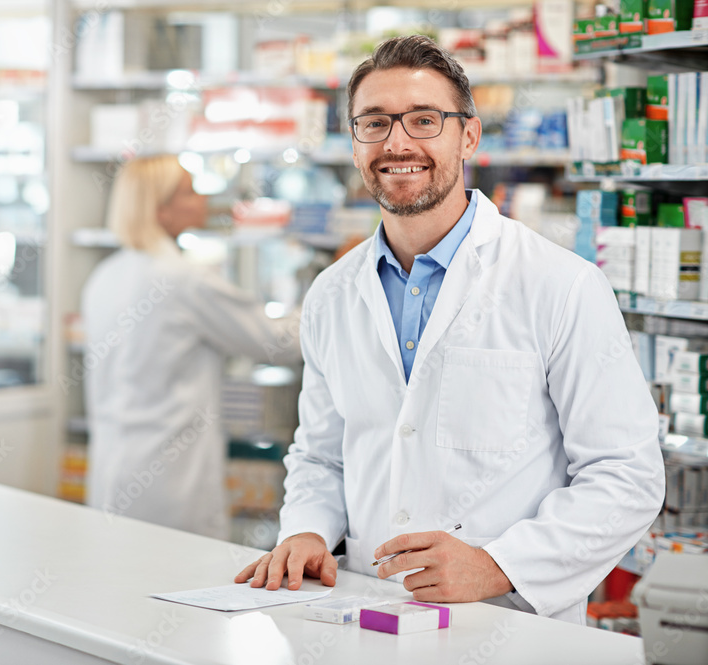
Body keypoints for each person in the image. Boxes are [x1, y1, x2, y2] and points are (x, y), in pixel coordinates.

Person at [234, 35, 665, 624]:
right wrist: (309, 531)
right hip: (366, 612)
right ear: (354, 143)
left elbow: (626, 474)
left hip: (510, 624)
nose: (398, 143)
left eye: (424, 120)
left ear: (469, 136)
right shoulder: (333, 292)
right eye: (375, 123)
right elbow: (322, 455)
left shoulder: (560, 284)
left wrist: (498, 564)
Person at [82, 155, 302, 540]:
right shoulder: (184, 279)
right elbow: (277, 342)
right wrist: (331, 292)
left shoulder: (105, 276)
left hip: (111, 473)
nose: (201, 197)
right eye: (189, 191)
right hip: (170, 484)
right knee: (176, 589)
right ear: (160, 209)